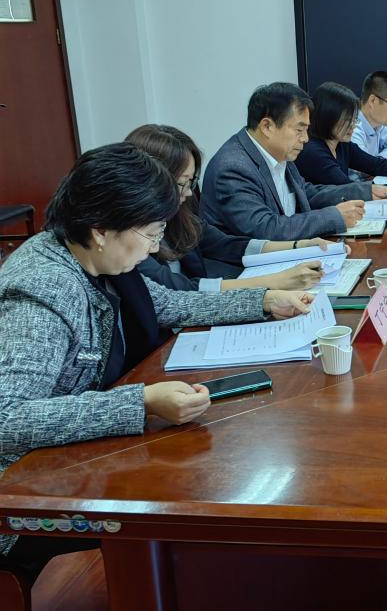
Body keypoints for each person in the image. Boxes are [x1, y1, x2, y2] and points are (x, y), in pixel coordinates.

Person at [0, 143, 312, 572]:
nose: (153, 247)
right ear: (100, 230)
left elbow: (170, 305)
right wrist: (141, 401)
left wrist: (263, 301)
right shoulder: (43, 288)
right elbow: (7, 418)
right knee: (202, 502)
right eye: (150, 233)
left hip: (82, 454)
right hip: (24, 494)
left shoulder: (95, 258)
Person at [127, 124, 338, 290]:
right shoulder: (133, 236)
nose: (189, 192)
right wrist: (274, 282)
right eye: (182, 183)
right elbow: (179, 290)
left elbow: (223, 243)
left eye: (191, 182)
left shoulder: (179, 214)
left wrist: (297, 247)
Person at [202, 82, 368, 242]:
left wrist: (364, 191)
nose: (305, 138)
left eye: (306, 130)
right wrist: (332, 217)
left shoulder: (279, 153)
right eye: (299, 130)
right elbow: (264, 229)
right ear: (267, 127)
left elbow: (306, 193)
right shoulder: (233, 167)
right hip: (244, 261)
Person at [295, 82, 387, 199]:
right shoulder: (313, 152)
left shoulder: (341, 144)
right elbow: (348, 188)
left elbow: (376, 165)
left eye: (354, 119)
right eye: (347, 119)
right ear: (328, 117)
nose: (353, 125)